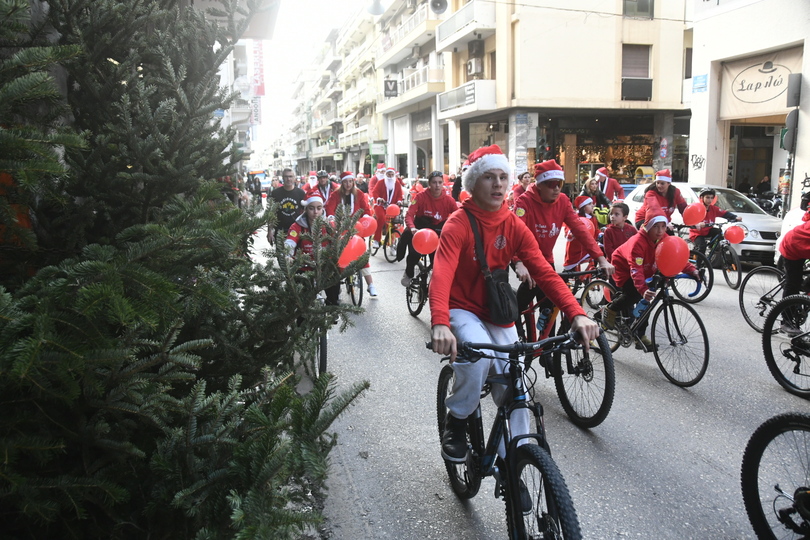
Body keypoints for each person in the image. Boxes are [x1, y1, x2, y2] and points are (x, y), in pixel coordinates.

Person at [428, 144, 599, 463]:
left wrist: (576, 313)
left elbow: (545, 272)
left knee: (516, 378)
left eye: (503, 177)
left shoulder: (513, 224)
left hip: (496, 311)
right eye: (489, 177)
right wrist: (439, 322)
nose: (498, 184)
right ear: (473, 184)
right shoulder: (458, 223)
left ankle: (516, 459)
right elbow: (441, 275)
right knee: (478, 356)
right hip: (461, 307)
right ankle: (458, 419)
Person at [513, 160, 614, 319]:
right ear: (539, 184)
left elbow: (580, 229)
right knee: (530, 289)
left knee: (549, 305)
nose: (556, 188)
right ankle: (511, 323)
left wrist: (600, 258)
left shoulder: (563, 200)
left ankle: (546, 343)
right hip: (525, 256)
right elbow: (515, 233)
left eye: (559, 183)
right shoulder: (524, 201)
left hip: (545, 257)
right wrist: (519, 262)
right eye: (551, 184)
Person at [607, 208, 699, 351]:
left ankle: (640, 335)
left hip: (648, 268)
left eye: (663, 226)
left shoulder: (663, 239)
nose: (660, 230)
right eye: (656, 226)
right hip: (624, 268)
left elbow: (675, 256)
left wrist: (692, 270)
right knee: (633, 294)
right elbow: (635, 270)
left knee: (648, 302)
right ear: (647, 226)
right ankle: (610, 309)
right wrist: (643, 289)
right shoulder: (638, 242)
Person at [399, 170, 458, 286]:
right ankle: (408, 273)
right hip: (420, 229)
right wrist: (412, 228)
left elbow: (458, 216)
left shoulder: (449, 200)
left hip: (437, 231)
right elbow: (410, 215)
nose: (437, 185)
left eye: (440, 182)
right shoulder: (420, 197)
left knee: (438, 262)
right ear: (429, 184)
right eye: (434, 182)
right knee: (414, 255)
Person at [325, 172, 378, 297]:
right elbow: (330, 208)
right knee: (337, 255)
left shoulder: (359, 193)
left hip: (356, 228)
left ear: (353, 182)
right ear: (342, 182)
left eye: (350, 181)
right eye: (345, 182)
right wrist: (332, 217)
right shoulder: (335, 194)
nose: (348, 184)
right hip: (340, 229)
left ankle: (370, 284)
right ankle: (335, 284)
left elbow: (365, 209)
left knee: (361, 256)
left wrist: (365, 216)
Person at [284, 193, 340, 306]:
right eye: (311, 208)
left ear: (323, 209)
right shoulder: (297, 226)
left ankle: (332, 309)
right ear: (305, 209)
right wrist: (287, 255)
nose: (315, 212)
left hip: (325, 266)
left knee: (334, 286)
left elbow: (338, 242)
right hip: (304, 267)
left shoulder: (329, 225)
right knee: (302, 301)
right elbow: (290, 242)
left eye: (319, 208)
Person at [689, 187, 742, 255]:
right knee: (702, 247)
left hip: (707, 230)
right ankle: (698, 265)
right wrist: (697, 223)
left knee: (719, 232)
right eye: (707, 197)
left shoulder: (713, 208)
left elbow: (724, 213)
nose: (710, 200)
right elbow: (690, 220)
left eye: (711, 198)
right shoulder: (697, 208)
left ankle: (713, 249)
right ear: (702, 198)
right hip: (697, 233)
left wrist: (735, 217)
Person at [268, 168, 306, 245]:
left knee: (296, 256)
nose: (288, 179)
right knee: (281, 255)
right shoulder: (275, 193)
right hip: (280, 231)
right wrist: (269, 231)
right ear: (282, 178)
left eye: (291, 176)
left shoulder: (300, 193)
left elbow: (305, 213)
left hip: (296, 230)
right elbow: (271, 213)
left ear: (294, 178)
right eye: (286, 176)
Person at [563, 196, 600, 270]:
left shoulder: (593, 218)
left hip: (588, 245)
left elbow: (595, 230)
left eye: (592, 203)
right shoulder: (575, 217)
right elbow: (567, 229)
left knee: (596, 255)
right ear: (583, 207)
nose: (593, 205)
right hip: (576, 245)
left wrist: (600, 234)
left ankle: (588, 274)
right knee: (572, 265)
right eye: (589, 204)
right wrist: (570, 234)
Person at [370, 166, 404, 248]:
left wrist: (399, 200)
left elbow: (400, 195)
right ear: (386, 174)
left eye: (392, 175)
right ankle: (376, 240)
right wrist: (378, 198)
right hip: (380, 205)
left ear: (394, 175)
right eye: (388, 174)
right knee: (381, 218)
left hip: (392, 207)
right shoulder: (381, 182)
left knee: (393, 223)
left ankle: (391, 243)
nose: (390, 176)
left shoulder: (397, 184)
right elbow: (375, 192)